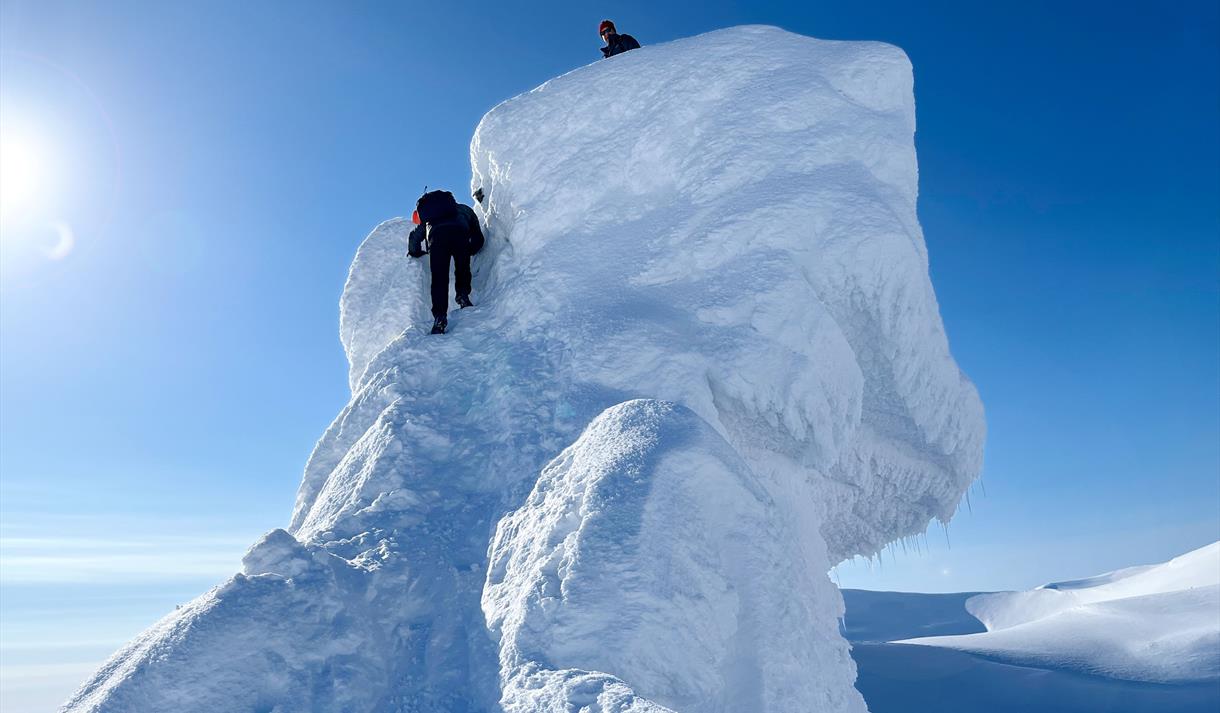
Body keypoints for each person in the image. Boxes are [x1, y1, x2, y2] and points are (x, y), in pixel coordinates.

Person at [407, 190, 485, 334]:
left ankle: (440, 317)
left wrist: (415, 252)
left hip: (436, 239)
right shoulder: (463, 210)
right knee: (462, 267)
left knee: (439, 278)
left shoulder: (431, 218)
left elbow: (415, 238)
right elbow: (478, 237)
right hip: (459, 233)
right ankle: (462, 296)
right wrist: (470, 250)